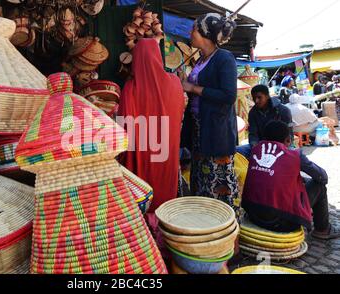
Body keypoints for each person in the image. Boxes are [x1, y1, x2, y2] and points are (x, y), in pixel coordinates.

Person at [180, 13, 240, 218]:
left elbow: (228, 95)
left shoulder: (224, 58)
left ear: (205, 33)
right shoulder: (201, 59)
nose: (190, 33)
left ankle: (223, 227)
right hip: (200, 128)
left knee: (217, 180)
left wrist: (193, 88)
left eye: (194, 29)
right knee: (201, 177)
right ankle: (203, 223)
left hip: (216, 130)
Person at [118, 38, 185, 213]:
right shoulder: (174, 83)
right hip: (165, 151)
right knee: (164, 187)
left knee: (141, 185)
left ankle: (143, 228)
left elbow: (123, 125)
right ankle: (164, 223)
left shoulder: (130, 87)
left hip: (140, 150)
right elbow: (178, 114)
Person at [242, 120, 340, 239]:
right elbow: (322, 177)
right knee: (319, 186)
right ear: (288, 140)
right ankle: (323, 229)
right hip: (281, 222)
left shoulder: (255, 150)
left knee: (300, 180)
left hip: (252, 215)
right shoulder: (295, 155)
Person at [237, 85, 292, 159]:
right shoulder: (253, 113)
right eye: (254, 98)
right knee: (236, 151)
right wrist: (255, 147)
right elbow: (253, 134)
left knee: (294, 156)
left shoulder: (283, 110)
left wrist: (281, 148)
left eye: (259, 97)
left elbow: (289, 134)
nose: (256, 101)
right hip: (261, 146)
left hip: (281, 146)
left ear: (267, 96)